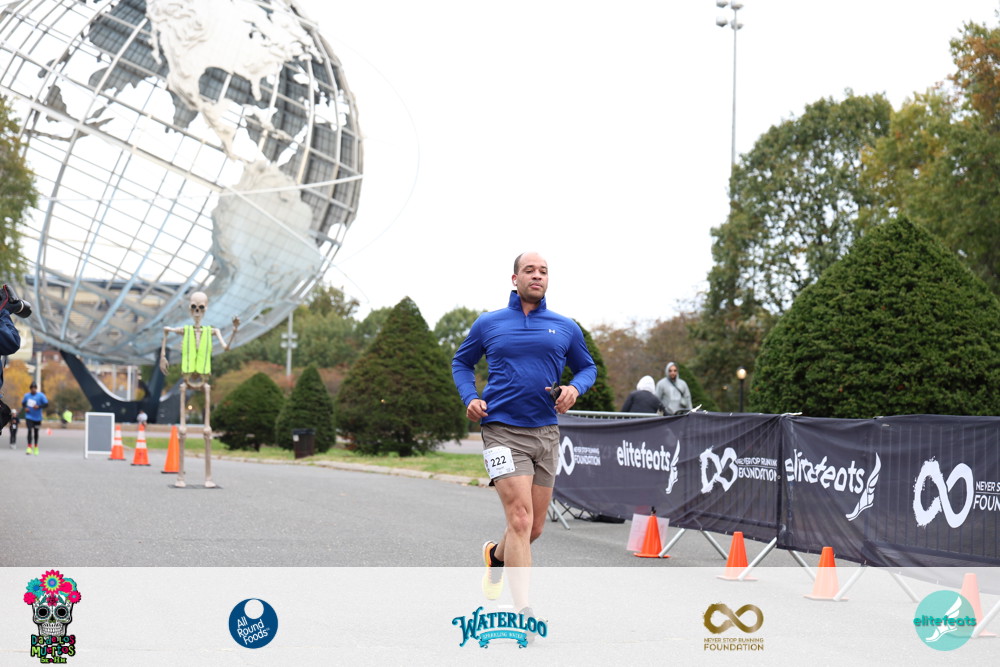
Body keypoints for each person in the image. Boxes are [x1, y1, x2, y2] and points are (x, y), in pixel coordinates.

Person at [452, 251, 597, 618]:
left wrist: (574, 388)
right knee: (519, 518)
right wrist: (470, 397)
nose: (537, 275)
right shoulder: (489, 323)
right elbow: (462, 362)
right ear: (514, 279)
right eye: (529, 270)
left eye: (543, 271)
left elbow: (587, 367)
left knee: (533, 529)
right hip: (501, 430)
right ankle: (523, 611)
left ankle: (495, 556)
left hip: (546, 433)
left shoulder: (565, 327)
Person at [21, 382, 49, 456]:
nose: (33, 390)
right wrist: (25, 408)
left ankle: (36, 447)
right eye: (32, 388)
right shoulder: (27, 395)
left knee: (36, 432)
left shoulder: (41, 395)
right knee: (29, 430)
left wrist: (38, 406)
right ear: (30, 389)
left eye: (34, 388)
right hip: (29, 416)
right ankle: (29, 447)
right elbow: (23, 403)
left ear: (36, 389)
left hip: (37, 418)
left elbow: (46, 404)